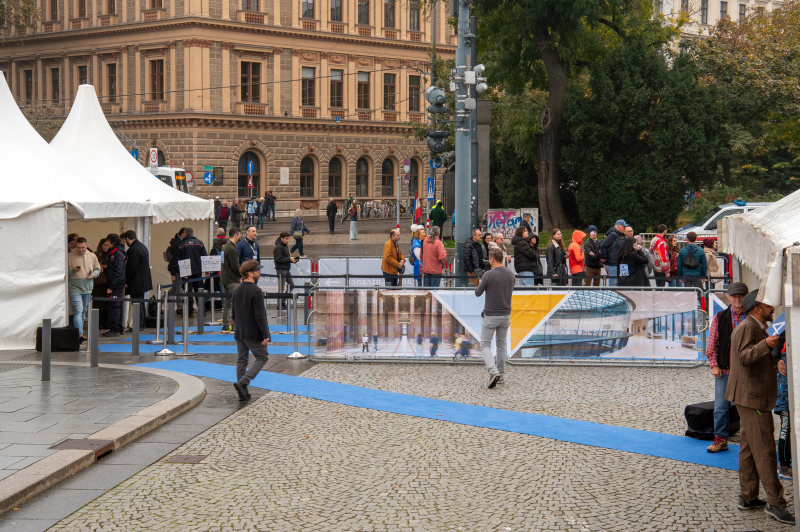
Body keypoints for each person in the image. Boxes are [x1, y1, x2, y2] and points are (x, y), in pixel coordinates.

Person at [726, 290, 794, 525]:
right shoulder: (748, 327)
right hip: (752, 398)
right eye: (768, 304)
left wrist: (773, 356)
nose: (772, 307)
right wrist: (766, 345)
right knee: (765, 449)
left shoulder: (755, 325)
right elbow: (744, 357)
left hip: (749, 397)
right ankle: (775, 503)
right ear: (757, 308)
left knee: (748, 447)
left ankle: (748, 496)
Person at [705, 282, 749, 453]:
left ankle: (748, 439)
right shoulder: (720, 317)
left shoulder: (751, 317)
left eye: (741, 296)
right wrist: (714, 365)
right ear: (730, 298)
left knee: (746, 407)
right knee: (721, 408)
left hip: (746, 371)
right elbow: (711, 345)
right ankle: (721, 439)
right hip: (725, 370)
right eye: (735, 296)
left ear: (745, 297)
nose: (738, 299)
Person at [231, 260, 271, 402]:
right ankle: (243, 382)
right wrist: (266, 334)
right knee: (262, 357)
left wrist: (237, 327)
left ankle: (243, 391)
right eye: (257, 270)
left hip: (240, 332)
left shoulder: (237, 289)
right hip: (252, 333)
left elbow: (233, 313)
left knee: (242, 360)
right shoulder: (256, 290)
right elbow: (260, 315)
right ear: (250, 273)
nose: (259, 272)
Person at [476, 247, 515, 388]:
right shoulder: (511, 274)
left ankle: (493, 372)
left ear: (492, 259)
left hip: (491, 314)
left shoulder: (488, 275)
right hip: (506, 313)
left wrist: (481, 282)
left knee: (485, 344)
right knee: (501, 345)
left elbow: (477, 293)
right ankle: (501, 374)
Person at [68, 237, 101, 339]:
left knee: (83, 311)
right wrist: (71, 270)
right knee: (78, 310)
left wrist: (94, 275)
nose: (81, 249)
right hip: (74, 287)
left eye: (83, 247)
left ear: (86, 245)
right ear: (75, 246)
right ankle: (79, 333)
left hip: (88, 287)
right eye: (78, 247)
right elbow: (64, 271)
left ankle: (80, 332)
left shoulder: (92, 256)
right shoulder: (69, 256)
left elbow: (97, 269)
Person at [124, 230, 153, 330]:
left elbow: (131, 267)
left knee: (137, 303)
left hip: (136, 281)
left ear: (127, 238)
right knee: (140, 303)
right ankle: (142, 324)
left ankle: (139, 324)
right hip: (143, 280)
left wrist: (127, 280)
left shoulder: (133, 249)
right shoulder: (142, 246)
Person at [176, 227, 208, 318]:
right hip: (198, 272)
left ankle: (189, 312)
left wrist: (177, 271)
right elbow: (204, 257)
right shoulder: (200, 243)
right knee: (199, 292)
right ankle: (202, 311)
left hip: (186, 272)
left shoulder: (181, 244)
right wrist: (206, 270)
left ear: (184, 234)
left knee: (188, 292)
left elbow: (177, 259)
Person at [774, 333, 791, 480]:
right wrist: (777, 361)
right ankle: (783, 465)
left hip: (790, 394)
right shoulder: (785, 335)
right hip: (784, 395)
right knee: (785, 428)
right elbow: (774, 354)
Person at [103, 233, 127, 337]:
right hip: (116, 283)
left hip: (116, 285)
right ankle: (118, 327)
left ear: (112, 241)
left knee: (114, 306)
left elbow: (118, 271)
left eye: (107, 241)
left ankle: (115, 328)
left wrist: (111, 286)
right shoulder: (114, 252)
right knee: (116, 305)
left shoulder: (117, 253)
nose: (106, 243)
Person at [221, 228, 241, 333]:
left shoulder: (224, 247)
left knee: (227, 303)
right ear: (236, 235)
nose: (240, 237)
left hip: (225, 278)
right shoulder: (232, 248)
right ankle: (234, 326)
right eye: (239, 235)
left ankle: (225, 325)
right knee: (235, 303)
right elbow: (235, 266)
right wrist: (242, 275)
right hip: (232, 279)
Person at [274, 232, 297, 310]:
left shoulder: (285, 246)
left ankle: (282, 301)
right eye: (286, 239)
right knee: (281, 287)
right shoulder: (278, 247)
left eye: (288, 238)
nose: (287, 240)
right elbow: (278, 260)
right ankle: (279, 304)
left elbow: (285, 258)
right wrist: (289, 259)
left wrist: (291, 259)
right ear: (281, 238)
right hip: (281, 269)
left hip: (286, 268)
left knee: (291, 284)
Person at [599, 219, 626, 286]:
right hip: (612, 263)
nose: (624, 228)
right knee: (613, 284)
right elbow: (603, 246)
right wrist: (604, 258)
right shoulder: (613, 234)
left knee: (615, 283)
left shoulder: (616, 234)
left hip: (614, 263)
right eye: (623, 226)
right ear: (618, 226)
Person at [92, 238, 110, 329]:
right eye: (104, 245)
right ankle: (99, 323)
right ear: (100, 246)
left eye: (107, 245)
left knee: (107, 303)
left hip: (108, 280)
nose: (106, 247)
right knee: (98, 303)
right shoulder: (95, 255)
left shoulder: (111, 254)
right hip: (99, 282)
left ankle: (106, 322)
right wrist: (100, 266)